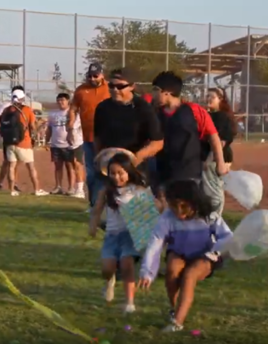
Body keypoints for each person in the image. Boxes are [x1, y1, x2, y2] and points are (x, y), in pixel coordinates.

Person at [138, 180, 233, 333]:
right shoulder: (167, 218)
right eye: (173, 206)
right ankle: (174, 309)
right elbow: (155, 243)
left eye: (183, 206)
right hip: (179, 252)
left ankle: (177, 322)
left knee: (190, 275)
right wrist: (147, 272)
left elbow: (227, 236)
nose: (178, 211)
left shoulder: (209, 216)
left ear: (194, 202)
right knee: (172, 270)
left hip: (205, 256)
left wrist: (215, 252)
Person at [151, 71, 227, 206]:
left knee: (187, 211)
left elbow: (213, 136)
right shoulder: (154, 113)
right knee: (163, 211)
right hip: (163, 173)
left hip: (189, 174)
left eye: (156, 90)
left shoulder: (194, 110)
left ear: (167, 92)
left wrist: (220, 163)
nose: (153, 94)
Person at [88, 153, 150, 314]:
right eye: (112, 173)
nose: (116, 177)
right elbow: (97, 210)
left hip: (130, 235)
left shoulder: (138, 190)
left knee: (126, 264)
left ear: (128, 172)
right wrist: (93, 226)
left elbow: (149, 212)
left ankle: (129, 302)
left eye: (120, 173)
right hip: (112, 235)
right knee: (107, 269)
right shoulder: (106, 191)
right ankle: (110, 281)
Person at [70, 63, 111, 206]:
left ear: (102, 75)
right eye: (90, 76)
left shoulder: (110, 89)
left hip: (107, 139)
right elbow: (73, 109)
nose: (92, 79)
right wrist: (70, 126)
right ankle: (94, 204)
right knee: (92, 174)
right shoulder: (81, 90)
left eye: (95, 76)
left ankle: (109, 205)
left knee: (107, 172)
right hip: (88, 138)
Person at [0, 88, 48, 196]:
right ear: (22, 98)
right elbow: (33, 127)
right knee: (31, 167)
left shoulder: (6, 110)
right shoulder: (27, 110)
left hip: (9, 143)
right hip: (24, 142)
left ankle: (12, 190)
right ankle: (37, 189)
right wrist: (41, 122)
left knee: (11, 167)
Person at [201, 87, 236, 214]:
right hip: (209, 158)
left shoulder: (221, 116)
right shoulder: (210, 115)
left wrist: (209, 159)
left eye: (212, 97)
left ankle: (215, 218)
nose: (208, 99)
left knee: (214, 192)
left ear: (220, 99)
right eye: (207, 96)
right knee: (207, 190)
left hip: (215, 159)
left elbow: (220, 142)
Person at [47, 93, 85, 197]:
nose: (60, 102)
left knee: (70, 166)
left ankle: (71, 188)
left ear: (68, 101)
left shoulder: (73, 113)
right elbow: (49, 128)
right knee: (58, 166)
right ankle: (58, 187)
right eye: (58, 100)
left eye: (63, 100)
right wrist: (47, 140)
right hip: (56, 144)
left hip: (69, 145)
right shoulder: (53, 114)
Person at [0, 85, 25, 192]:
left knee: (17, 161)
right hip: (8, 138)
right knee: (7, 161)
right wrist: (2, 130)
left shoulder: (24, 107)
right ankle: (0, 183)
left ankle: (14, 183)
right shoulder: (6, 106)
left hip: (19, 138)